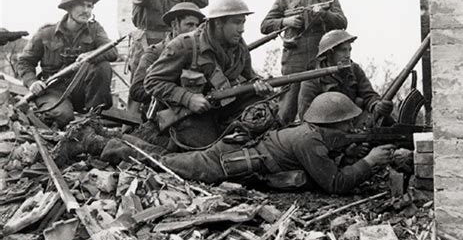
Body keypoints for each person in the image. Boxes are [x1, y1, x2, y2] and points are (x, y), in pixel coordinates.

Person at [101, 92, 398, 194]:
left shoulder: (313, 134)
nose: (352, 128)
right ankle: (103, 144)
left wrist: (350, 152)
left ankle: (119, 139)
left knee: (168, 158)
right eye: (347, 125)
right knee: (166, 165)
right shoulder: (310, 141)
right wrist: (369, 162)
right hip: (229, 161)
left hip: (239, 150)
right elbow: (334, 184)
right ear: (330, 124)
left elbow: (326, 158)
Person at [143, 0, 272, 148]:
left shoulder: (239, 48)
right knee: (209, 153)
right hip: (187, 113)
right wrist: (188, 98)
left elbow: (251, 76)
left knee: (263, 110)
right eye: (236, 22)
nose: (242, 29)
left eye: (243, 22)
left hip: (223, 106)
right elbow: (151, 81)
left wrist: (259, 85)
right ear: (218, 23)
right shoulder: (185, 45)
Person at [261, 0, 348, 125]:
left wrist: (323, 14)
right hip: (294, 60)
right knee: (286, 111)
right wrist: (286, 22)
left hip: (321, 59)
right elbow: (265, 25)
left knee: (323, 110)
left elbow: (342, 23)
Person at [16, 0, 118, 128]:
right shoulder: (46, 33)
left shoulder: (95, 30)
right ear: (69, 7)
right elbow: (25, 62)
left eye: (90, 6)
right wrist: (32, 82)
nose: (87, 11)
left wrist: (90, 56)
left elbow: (112, 52)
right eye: (82, 5)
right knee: (62, 117)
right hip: (53, 90)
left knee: (103, 66)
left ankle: (95, 118)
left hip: (81, 91)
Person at [129, 0, 209, 77]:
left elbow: (202, 1)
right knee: (141, 82)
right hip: (146, 43)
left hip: (170, 43)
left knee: (166, 79)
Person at [298, 30, 393, 121]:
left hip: (354, 123)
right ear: (330, 53)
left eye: (349, 50)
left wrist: (376, 105)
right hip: (326, 128)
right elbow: (305, 115)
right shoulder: (312, 79)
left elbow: (368, 95)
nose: (348, 55)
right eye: (343, 50)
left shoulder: (354, 70)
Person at [129, 2, 205, 113]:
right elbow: (137, 91)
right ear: (174, 25)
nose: (194, 30)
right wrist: (175, 92)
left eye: (197, 26)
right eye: (189, 25)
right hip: (163, 115)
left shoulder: (200, 53)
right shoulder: (154, 53)